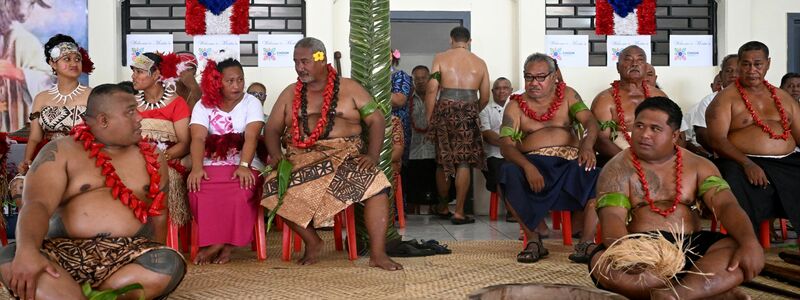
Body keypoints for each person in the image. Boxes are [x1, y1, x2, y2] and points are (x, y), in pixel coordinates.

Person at [0, 84, 186, 299]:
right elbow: (37, 205)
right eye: (130, 111)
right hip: (61, 252)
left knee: (168, 263)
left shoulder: (153, 156)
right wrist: (28, 252)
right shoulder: (61, 150)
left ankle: (68, 294)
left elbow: (159, 214)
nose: (139, 118)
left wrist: (154, 252)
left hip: (127, 255)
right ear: (103, 120)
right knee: (10, 258)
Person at [589, 97, 763, 299]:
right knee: (602, 264)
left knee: (738, 251)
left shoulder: (699, 165)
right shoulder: (616, 169)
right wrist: (628, 255)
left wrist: (750, 242)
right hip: (640, 248)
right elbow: (612, 219)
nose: (644, 134)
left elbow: (726, 205)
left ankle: (675, 295)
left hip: (691, 246)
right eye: (639, 126)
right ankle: (703, 291)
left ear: (674, 136)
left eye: (655, 129)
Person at [262, 37, 402, 270]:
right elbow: (273, 129)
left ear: (321, 59)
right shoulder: (289, 93)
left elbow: (376, 119)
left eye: (305, 61)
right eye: (296, 62)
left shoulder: (350, 88)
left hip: (345, 155)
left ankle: (378, 254)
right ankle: (312, 241)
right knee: (273, 189)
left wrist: (373, 156)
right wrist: (276, 156)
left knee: (377, 185)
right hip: (301, 158)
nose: (299, 67)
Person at [499, 53, 600, 263]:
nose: (534, 83)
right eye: (528, 77)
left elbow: (590, 121)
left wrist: (587, 145)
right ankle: (534, 240)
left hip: (570, 162)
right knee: (506, 174)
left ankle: (587, 242)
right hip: (535, 164)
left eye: (540, 77)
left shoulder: (569, 95)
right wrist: (527, 167)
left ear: (554, 76)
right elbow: (506, 146)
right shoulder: (515, 105)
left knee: (599, 176)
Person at [706, 41, 800, 237]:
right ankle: (748, 241)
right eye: (746, 64)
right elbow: (717, 141)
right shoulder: (725, 99)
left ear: (768, 64)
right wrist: (747, 163)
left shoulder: (784, 98)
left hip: (786, 162)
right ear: (739, 65)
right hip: (740, 161)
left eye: (758, 64)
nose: (752, 70)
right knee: (736, 179)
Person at [187, 57, 264, 265]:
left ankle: (222, 245)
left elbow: (251, 137)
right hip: (211, 162)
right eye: (230, 81)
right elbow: (198, 138)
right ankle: (220, 241)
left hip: (245, 162)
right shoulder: (203, 104)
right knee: (197, 188)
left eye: (240, 80)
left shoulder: (251, 102)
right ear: (217, 81)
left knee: (242, 188)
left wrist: (244, 166)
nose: (237, 85)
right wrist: (196, 168)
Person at [425, 26, 490, 224]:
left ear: (451, 39)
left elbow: (431, 89)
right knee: (463, 162)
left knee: (443, 160)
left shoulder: (441, 58)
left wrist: (430, 118)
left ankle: (444, 207)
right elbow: (486, 97)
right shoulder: (480, 63)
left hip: (444, 110)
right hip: (469, 110)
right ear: (469, 41)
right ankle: (460, 212)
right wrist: (471, 111)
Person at [131, 52, 192, 227]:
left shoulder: (177, 103)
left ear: (157, 74)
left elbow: (185, 143)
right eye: (133, 71)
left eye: (139, 72)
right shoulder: (131, 103)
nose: (133, 76)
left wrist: (158, 158)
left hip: (167, 161)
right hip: (136, 159)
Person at [591, 45, 667, 165]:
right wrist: (630, 161)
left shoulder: (659, 96)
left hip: (655, 159)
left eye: (640, 60)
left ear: (646, 67)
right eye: (628, 59)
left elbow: (668, 131)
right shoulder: (605, 99)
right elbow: (600, 139)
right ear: (617, 67)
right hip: (619, 160)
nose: (634, 64)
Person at [0, 0, 53, 132]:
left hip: (15, 121)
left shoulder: (27, 41)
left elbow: (48, 82)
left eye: (31, 3)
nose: (25, 10)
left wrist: (18, 73)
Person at [479, 77, 517, 222]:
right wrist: (508, 145)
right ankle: (512, 210)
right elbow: (487, 134)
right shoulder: (485, 110)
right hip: (493, 155)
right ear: (492, 91)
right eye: (498, 88)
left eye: (505, 88)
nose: (501, 91)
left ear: (511, 91)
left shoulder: (517, 108)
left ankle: (525, 208)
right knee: (500, 174)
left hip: (515, 154)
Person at [689, 54, 739, 154]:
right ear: (721, 75)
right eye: (729, 71)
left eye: (738, 71)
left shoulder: (756, 98)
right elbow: (702, 135)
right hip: (722, 155)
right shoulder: (709, 101)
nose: (733, 75)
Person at [405, 65, 438, 211]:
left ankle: (437, 207)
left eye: (423, 77)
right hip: (414, 149)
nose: (420, 81)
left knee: (434, 182)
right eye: (416, 78)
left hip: (434, 148)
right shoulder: (406, 99)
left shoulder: (438, 96)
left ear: (429, 78)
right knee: (413, 184)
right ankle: (412, 209)